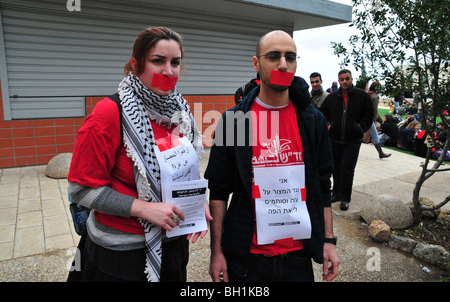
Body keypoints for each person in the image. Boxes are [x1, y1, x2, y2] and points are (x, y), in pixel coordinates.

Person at [66, 27, 211, 282]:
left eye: (175, 62)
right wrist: (144, 209)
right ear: (136, 64)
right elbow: (80, 189)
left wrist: (195, 202)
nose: (168, 71)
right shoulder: (109, 112)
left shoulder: (180, 112)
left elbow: (179, 172)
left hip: (173, 244)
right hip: (120, 254)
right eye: (158, 61)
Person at [205, 30, 339, 282]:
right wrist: (217, 251)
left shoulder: (313, 121)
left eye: (290, 57)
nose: (283, 64)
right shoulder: (233, 122)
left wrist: (329, 240)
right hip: (248, 259)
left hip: (299, 257)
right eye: (273, 56)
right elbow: (219, 191)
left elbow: (323, 184)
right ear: (257, 63)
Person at [319, 69, 374, 211]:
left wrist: (359, 127)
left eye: (347, 78)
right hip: (335, 139)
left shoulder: (362, 96)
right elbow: (323, 113)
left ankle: (345, 198)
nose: (344, 81)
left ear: (351, 79)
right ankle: (335, 193)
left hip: (352, 140)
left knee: (347, 170)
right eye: (342, 79)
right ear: (338, 80)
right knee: (335, 168)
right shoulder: (332, 97)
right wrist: (328, 125)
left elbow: (369, 114)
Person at [367, 81, 391, 158]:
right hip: (369, 118)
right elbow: (374, 110)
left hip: (363, 117)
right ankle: (381, 153)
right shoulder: (375, 96)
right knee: (375, 135)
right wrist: (373, 119)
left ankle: (381, 153)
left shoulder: (366, 94)